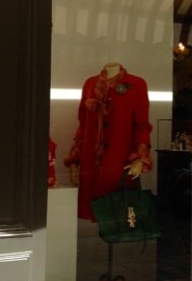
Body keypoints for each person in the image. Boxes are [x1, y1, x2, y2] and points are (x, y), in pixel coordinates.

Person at [64, 62, 153, 221]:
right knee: (97, 207)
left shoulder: (136, 84)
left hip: (120, 157)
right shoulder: (90, 83)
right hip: (91, 158)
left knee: (118, 209)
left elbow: (142, 125)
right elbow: (83, 124)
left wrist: (140, 157)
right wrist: (75, 160)